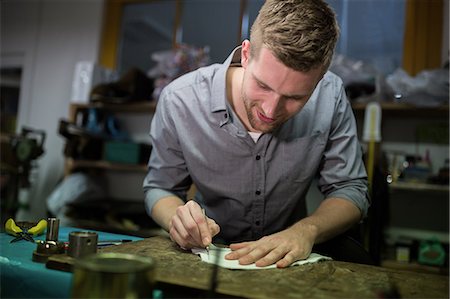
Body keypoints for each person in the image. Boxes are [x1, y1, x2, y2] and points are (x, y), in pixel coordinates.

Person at [143, 0, 370, 268]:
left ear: (319, 79)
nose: (270, 110)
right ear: (246, 54)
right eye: (262, 85)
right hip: (209, 252)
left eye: (295, 97)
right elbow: (159, 187)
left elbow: (350, 189)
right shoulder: (180, 100)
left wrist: (305, 231)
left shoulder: (330, 96)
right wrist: (177, 219)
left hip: (291, 255)